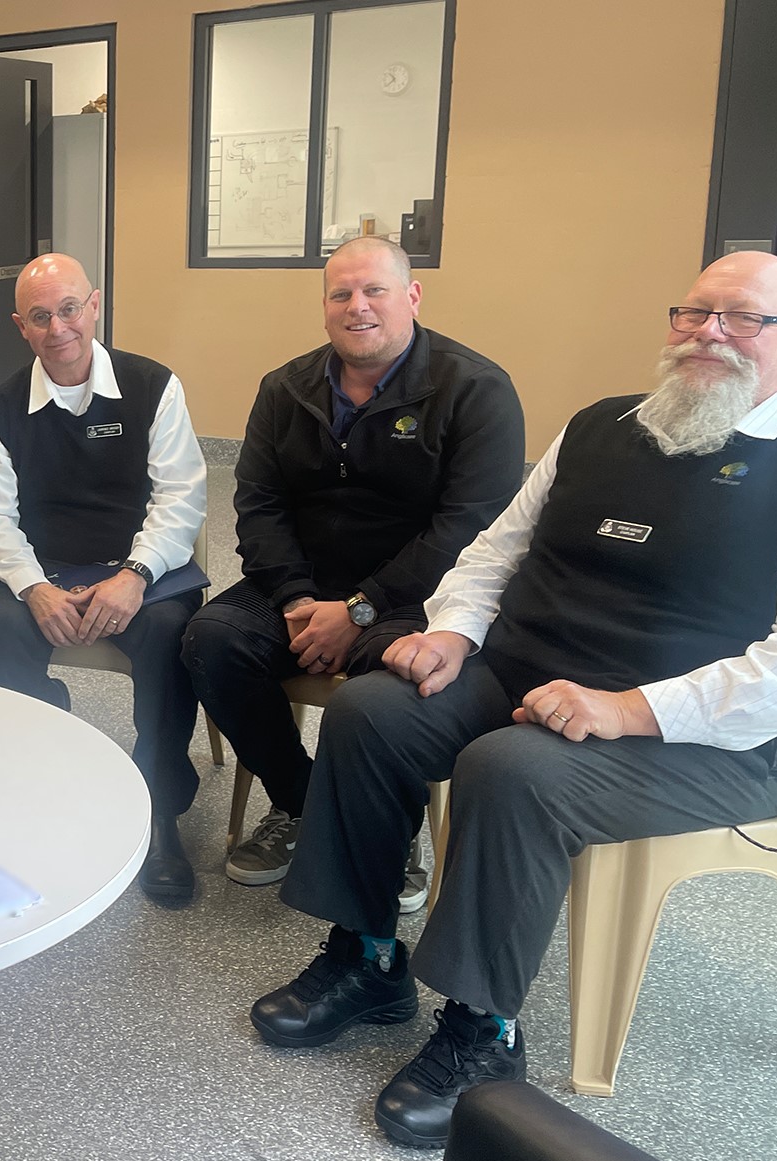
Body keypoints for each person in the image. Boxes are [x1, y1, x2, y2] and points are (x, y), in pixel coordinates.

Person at [249, 251, 777, 1149]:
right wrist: (452, 633)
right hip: (528, 674)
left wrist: (629, 708)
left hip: (712, 736)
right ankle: (365, 957)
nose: (709, 333)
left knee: (509, 771)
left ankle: (483, 1029)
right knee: (370, 711)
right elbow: (493, 550)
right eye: (693, 313)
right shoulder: (603, 426)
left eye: (743, 318)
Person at [183, 237, 524, 893]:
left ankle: (392, 837)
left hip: (412, 597)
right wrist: (295, 601)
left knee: (389, 692)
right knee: (209, 639)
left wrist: (360, 610)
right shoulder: (286, 388)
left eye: (375, 291)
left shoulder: (476, 390)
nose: (356, 307)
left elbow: (468, 532)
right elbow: (256, 505)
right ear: (325, 305)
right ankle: (303, 803)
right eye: (341, 293)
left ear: (412, 297)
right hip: (302, 587)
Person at [0, 254, 209, 900]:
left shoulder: (154, 386)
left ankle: (159, 804)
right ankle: (49, 760)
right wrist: (33, 588)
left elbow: (181, 498)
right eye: (40, 317)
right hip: (49, 572)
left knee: (170, 634)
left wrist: (135, 574)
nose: (58, 328)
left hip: (141, 571)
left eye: (69, 309)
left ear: (94, 306)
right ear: (22, 325)